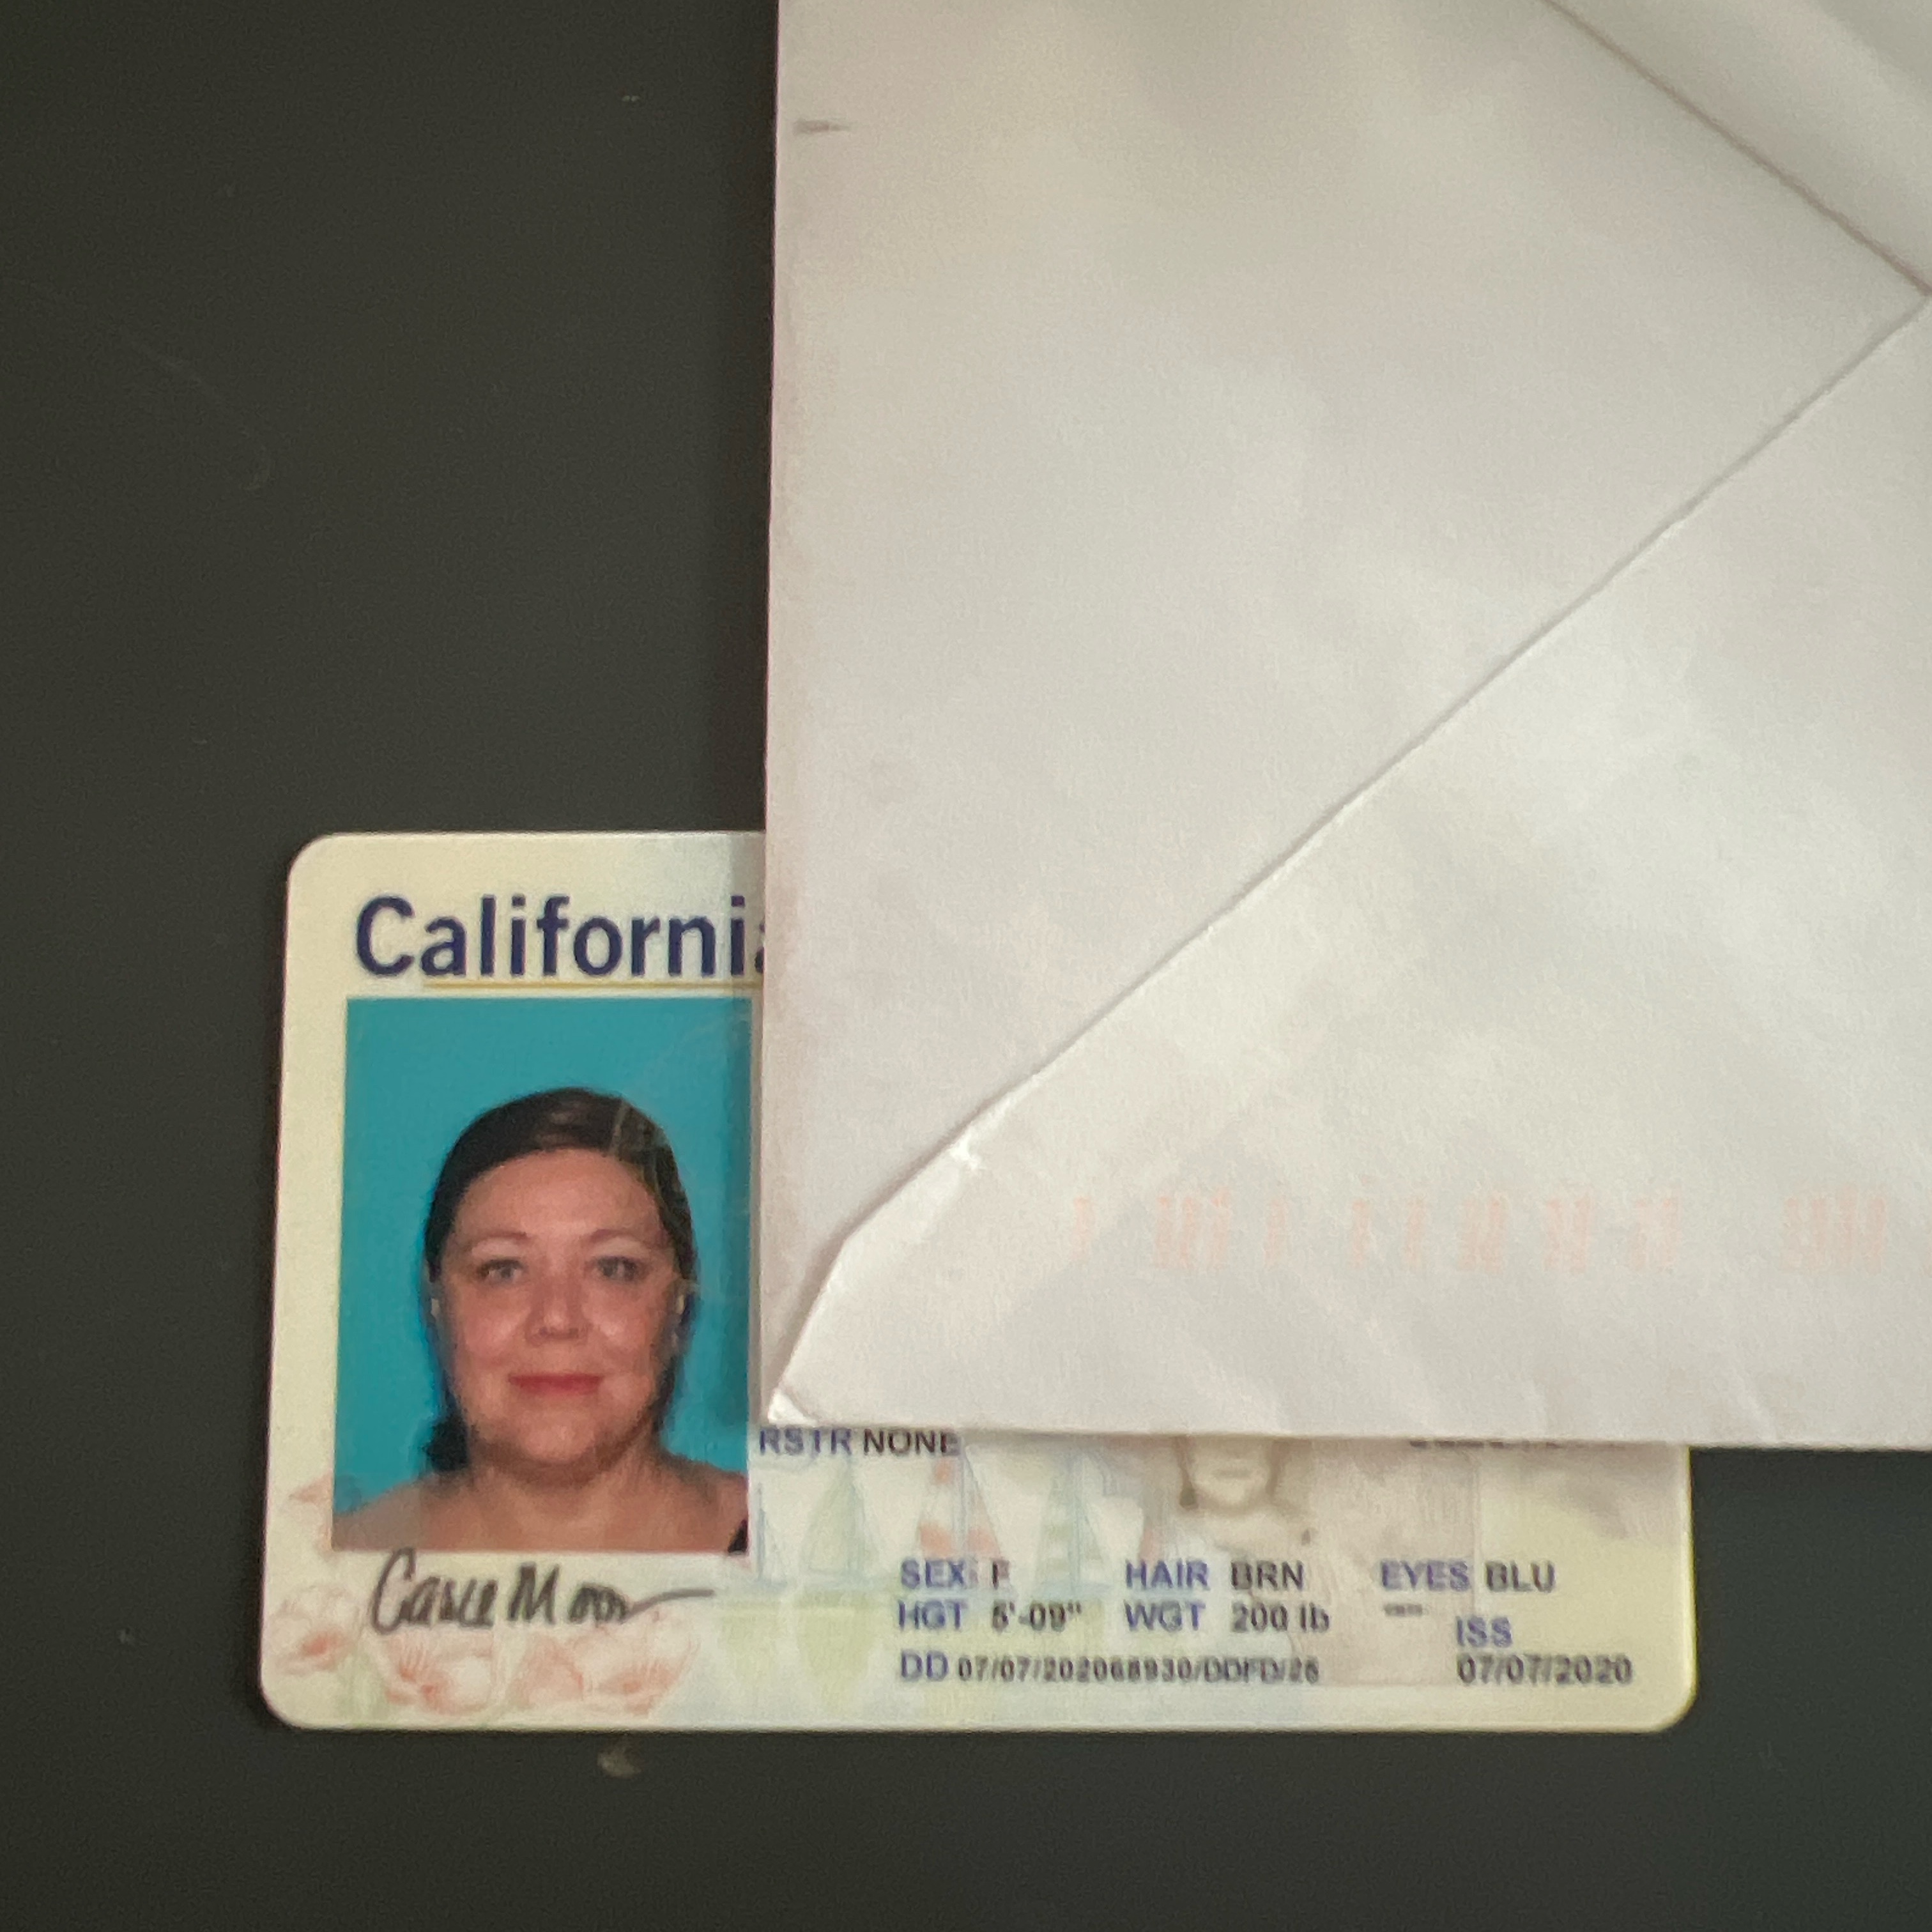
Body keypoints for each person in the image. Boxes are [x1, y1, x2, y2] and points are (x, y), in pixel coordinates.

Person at [335, 1088, 747, 1554]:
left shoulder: (791, 1549)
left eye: (612, 1268)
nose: (556, 1319)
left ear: (679, 1303)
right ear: (437, 1301)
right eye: (504, 1270)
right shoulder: (332, 1568)